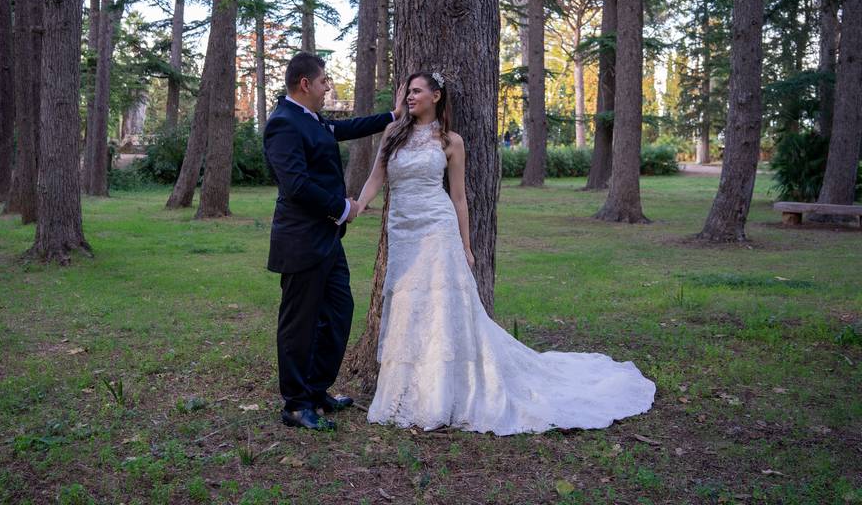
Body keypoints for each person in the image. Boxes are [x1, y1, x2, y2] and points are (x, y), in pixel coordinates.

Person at [355, 71, 655, 434]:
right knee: (407, 305)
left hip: (437, 229)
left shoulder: (450, 141)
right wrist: (357, 207)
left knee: (437, 307)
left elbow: (460, 198)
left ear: (436, 96)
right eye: (408, 92)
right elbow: (376, 178)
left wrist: (466, 245)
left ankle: (438, 395)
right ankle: (405, 390)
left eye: (417, 91)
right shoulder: (393, 134)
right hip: (402, 230)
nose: (410, 97)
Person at [263, 52, 405, 431]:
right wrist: (342, 207)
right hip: (301, 241)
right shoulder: (283, 124)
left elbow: (348, 128)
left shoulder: (312, 120)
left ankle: (315, 389)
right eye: (324, 80)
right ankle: (295, 404)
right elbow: (295, 185)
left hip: (327, 239)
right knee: (299, 325)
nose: (329, 87)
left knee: (339, 312)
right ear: (305, 83)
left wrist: (392, 117)